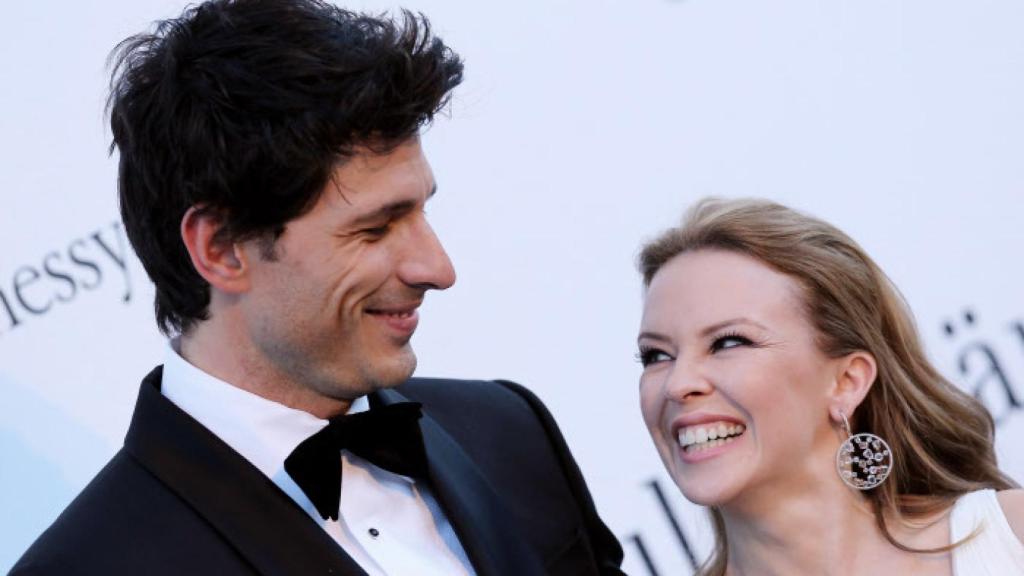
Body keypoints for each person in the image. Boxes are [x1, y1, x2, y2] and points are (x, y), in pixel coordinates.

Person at [10, 1, 624, 574]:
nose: (438, 268)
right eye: (376, 228)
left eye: (422, 214)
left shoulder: (509, 430)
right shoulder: (93, 563)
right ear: (221, 249)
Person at [636, 197, 1024, 575]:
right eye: (656, 355)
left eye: (729, 342)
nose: (678, 383)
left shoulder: (1011, 538)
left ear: (847, 381)